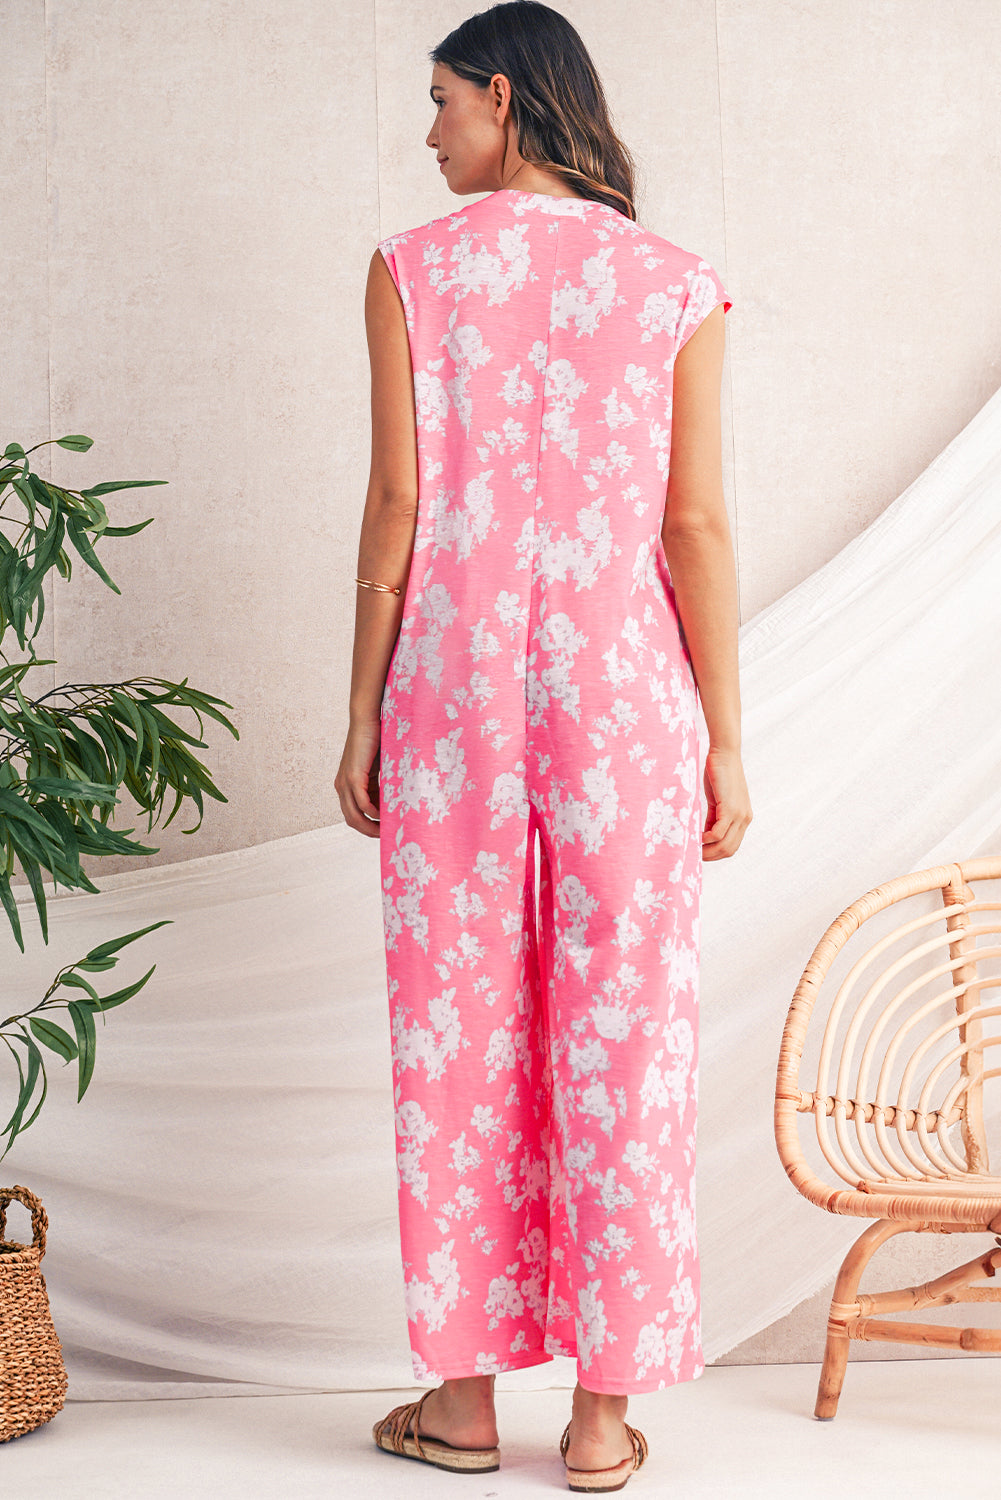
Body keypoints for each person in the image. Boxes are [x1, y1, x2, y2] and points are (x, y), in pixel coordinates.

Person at [335, 1, 752, 1488]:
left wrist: (360, 709)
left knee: (453, 1030)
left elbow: (398, 506)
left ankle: (460, 1406)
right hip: (623, 698)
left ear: (504, 98)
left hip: (449, 695)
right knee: (625, 1035)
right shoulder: (676, 282)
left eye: (443, 100)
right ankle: (600, 1419)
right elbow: (692, 527)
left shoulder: (411, 269)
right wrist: (726, 739)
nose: (430, 131)